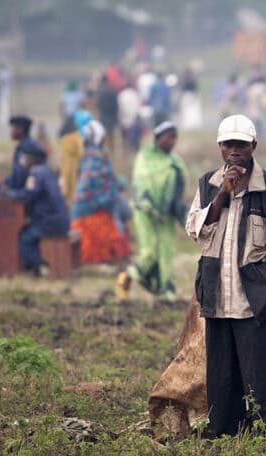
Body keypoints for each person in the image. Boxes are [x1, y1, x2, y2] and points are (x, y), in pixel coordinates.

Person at [185, 114, 266, 437]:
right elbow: (195, 231)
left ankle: (262, 443)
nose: (235, 151)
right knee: (220, 379)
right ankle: (222, 439)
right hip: (217, 302)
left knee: (260, 379)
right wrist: (223, 193)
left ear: (253, 147)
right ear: (220, 147)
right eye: (229, 144)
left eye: (241, 145)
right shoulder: (207, 185)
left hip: (254, 304)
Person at [116, 121, 188, 301]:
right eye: (169, 137)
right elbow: (142, 185)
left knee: (166, 250)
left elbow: (178, 187)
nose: (172, 142)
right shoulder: (144, 157)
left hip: (166, 213)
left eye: (175, 138)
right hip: (144, 211)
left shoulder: (174, 161)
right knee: (149, 253)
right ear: (158, 138)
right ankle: (127, 277)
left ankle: (166, 290)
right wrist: (151, 205)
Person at [2, 140, 70, 276]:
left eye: (25, 158)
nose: (23, 161)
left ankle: (37, 267)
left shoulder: (36, 173)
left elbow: (29, 193)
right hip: (61, 220)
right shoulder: (47, 171)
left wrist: (10, 194)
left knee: (25, 239)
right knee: (29, 232)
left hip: (50, 223)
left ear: (32, 159)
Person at [70, 120, 131, 264]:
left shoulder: (88, 154)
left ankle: (120, 255)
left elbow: (106, 179)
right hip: (94, 205)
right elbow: (100, 182)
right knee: (118, 212)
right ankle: (120, 255)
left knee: (119, 207)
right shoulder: (98, 154)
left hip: (85, 204)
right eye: (103, 136)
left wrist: (116, 185)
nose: (105, 139)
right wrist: (114, 191)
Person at [0, 116, 40, 248]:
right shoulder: (25, 145)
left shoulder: (26, 149)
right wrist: (3, 183)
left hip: (24, 191)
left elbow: (21, 177)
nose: (10, 132)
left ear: (20, 130)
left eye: (13, 128)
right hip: (22, 187)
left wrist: (6, 187)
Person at [57, 116, 84, 208]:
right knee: (73, 189)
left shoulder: (63, 137)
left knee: (65, 189)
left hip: (64, 167)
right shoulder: (76, 136)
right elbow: (81, 153)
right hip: (74, 167)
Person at [117, 82, 142, 152]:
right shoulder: (135, 94)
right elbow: (138, 107)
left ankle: (127, 151)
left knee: (125, 138)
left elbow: (120, 108)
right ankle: (135, 151)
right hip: (134, 119)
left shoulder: (121, 94)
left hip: (124, 119)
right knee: (135, 138)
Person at [97, 75, 119, 153]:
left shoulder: (100, 92)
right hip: (112, 117)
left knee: (105, 137)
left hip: (103, 117)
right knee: (112, 137)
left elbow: (99, 105)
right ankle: (112, 153)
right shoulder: (112, 90)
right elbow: (116, 105)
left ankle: (106, 153)